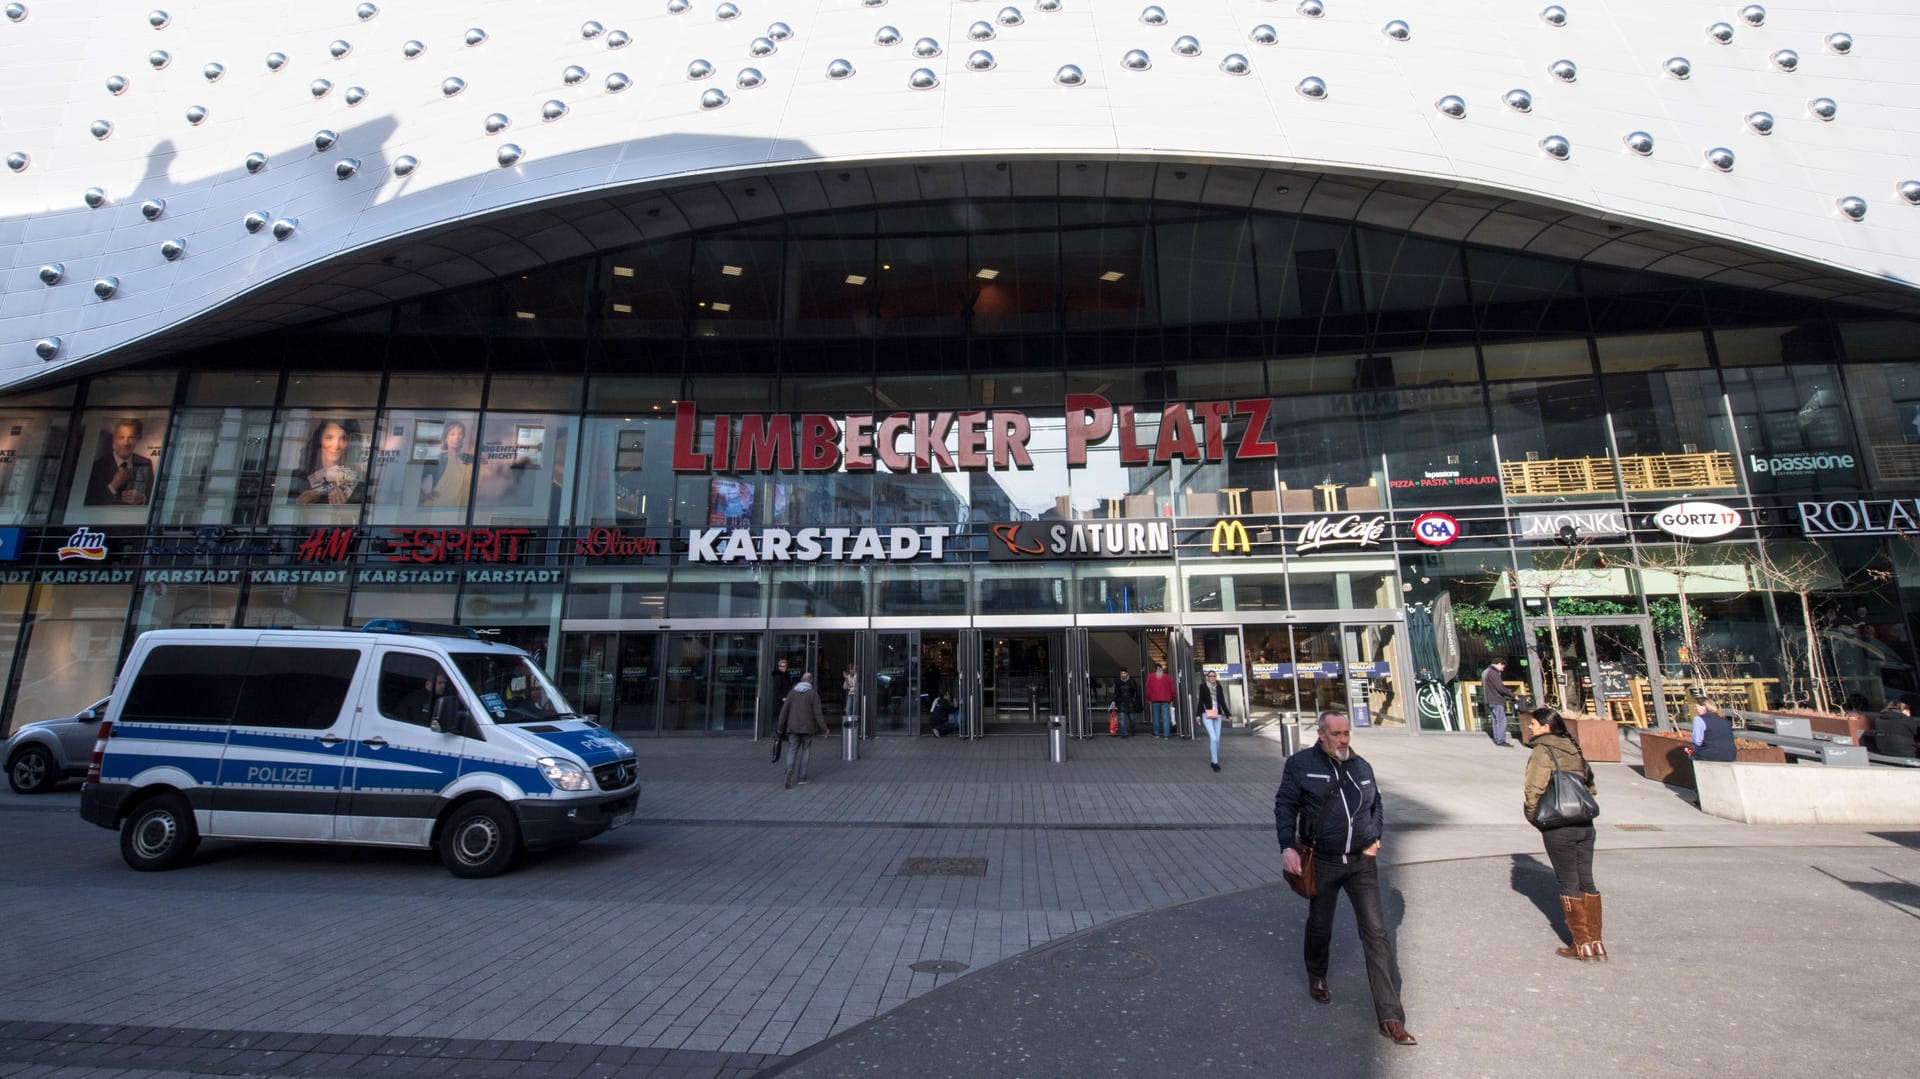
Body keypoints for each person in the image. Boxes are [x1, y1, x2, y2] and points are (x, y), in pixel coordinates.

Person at [1274, 711, 1415, 1046]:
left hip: (1361, 862)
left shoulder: (1361, 767)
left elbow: (1376, 804)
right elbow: (1285, 806)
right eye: (1336, 733)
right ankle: (1317, 973)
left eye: (1347, 733)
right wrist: (1287, 847)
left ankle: (1390, 1016)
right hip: (1322, 861)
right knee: (1321, 925)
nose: (1343, 739)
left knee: (1377, 934)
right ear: (1321, 734)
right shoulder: (1300, 765)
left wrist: (1375, 836)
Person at [1523, 706, 1606, 962]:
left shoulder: (1542, 751)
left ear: (1546, 727)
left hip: (1559, 824)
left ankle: (1580, 944)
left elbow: (1533, 788)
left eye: (1534, 724)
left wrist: (1533, 816)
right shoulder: (1573, 747)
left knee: (1568, 882)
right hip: (1584, 823)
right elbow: (1590, 786)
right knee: (1586, 881)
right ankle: (1596, 943)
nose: (1530, 727)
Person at [289, 419, 363, 505]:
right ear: (320, 440)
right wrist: (297, 506)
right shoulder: (298, 479)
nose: (336, 445)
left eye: (343, 438)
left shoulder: (358, 486)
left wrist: (344, 511)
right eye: (329, 437)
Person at [776, 670, 829, 787]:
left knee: (792, 749)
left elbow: (784, 712)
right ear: (811, 681)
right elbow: (818, 714)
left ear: (801, 680)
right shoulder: (813, 694)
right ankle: (802, 777)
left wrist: (780, 728)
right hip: (807, 728)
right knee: (805, 750)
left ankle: (789, 769)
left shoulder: (792, 693)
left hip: (792, 727)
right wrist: (824, 729)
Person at [84, 418, 154, 505]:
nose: (126, 443)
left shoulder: (145, 463)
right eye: (121, 437)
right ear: (114, 439)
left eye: (131, 437)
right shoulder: (97, 466)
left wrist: (142, 498)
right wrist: (113, 485)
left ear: (138, 439)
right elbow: (90, 501)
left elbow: (152, 495)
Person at [419, 419, 473, 507]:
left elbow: (484, 462)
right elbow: (415, 479)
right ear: (445, 438)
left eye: (460, 433)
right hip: (437, 506)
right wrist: (423, 495)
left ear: (463, 437)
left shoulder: (466, 458)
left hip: (457, 508)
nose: (457, 437)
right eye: (452, 434)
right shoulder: (438, 459)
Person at [1196, 669, 1231, 772]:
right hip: (1206, 714)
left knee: (1217, 739)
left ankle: (1213, 759)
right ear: (1207, 677)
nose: (1212, 678)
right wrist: (1197, 715)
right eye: (1210, 676)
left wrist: (1228, 714)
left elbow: (1222, 701)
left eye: (1214, 676)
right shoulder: (1203, 686)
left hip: (1217, 714)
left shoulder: (1219, 687)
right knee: (1213, 738)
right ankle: (1215, 763)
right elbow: (1200, 701)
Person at [1481, 658, 1520, 747]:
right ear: (1499, 664)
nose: (1503, 668)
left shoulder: (1485, 672)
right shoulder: (1493, 673)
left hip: (1489, 699)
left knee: (1495, 720)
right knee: (1501, 720)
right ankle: (1501, 740)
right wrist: (1513, 695)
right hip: (1496, 699)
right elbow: (1500, 688)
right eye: (1503, 666)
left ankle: (1498, 739)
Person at [1688, 695, 1736, 763]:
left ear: (1704, 706)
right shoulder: (1723, 718)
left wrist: (1691, 750)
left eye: (1697, 706)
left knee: (1690, 757)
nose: (1696, 709)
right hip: (1730, 755)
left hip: (1711, 755)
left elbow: (1697, 741)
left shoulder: (1699, 719)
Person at [764, 657, 795, 738]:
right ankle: (779, 734)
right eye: (781, 666)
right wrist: (782, 697)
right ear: (779, 667)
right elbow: (777, 689)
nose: (783, 668)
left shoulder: (787, 675)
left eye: (784, 666)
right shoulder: (778, 676)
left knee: (785, 717)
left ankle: (783, 734)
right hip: (780, 700)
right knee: (781, 717)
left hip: (787, 698)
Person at [1145, 662, 1176, 738]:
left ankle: (1156, 734)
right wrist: (1172, 698)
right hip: (1166, 701)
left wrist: (1148, 698)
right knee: (1166, 718)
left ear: (1154, 669)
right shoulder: (1167, 677)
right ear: (1161, 669)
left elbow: (1148, 689)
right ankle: (1166, 735)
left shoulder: (1150, 677)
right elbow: (1172, 689)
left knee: (1156, 718)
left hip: (1155, 701)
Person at [1112, 667, 1142, 739]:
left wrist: (1135, 700)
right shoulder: (1118, 681)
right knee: (1122, 719)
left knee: (1132, 719)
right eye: (1122, 673)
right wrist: (1114, 701)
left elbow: (1135, 691)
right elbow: (1116, 692)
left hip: (1130, 702)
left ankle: (1132, 729)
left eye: (1124, 673)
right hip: (1121, 702)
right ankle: (1124, 733)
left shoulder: (1131, 681)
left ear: (1127, 673)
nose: (1123, 674)